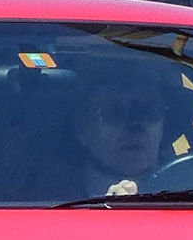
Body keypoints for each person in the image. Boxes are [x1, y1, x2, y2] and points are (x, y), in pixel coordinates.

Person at [62, 60, 182, 198]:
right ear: (81, 128)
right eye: (114, 112)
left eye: (150, 111)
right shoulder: (50, 199)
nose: (136, 126)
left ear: (163, 126)